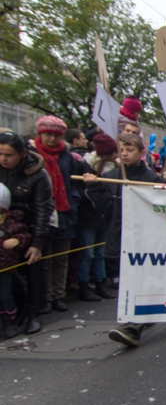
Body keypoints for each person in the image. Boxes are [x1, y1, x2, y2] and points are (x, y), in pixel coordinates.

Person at [83, 134, 166, 347]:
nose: (125, 154)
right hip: (119, 238)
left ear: (141, 153)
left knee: (140, 280)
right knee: (126, 282)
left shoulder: (153, 179)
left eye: (130, 150)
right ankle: (135, 320)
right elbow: (106, 211)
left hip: (146, 239)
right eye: (122, 150)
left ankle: (134, 324)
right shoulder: (111, 177)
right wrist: (94, 187)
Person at [0, 132, 54, 334]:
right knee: (7, 271)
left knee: (34, 268)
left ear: (22, 154)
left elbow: (43, 209)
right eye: (0, 154)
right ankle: (18, 309)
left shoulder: (38, 174)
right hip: (4, 228)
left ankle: (34, 312)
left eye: (9, 155)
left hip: (32, 226)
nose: (3, 159)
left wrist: (37, 243)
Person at [35, 116, 81, 314]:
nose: (52, 139)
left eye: (55, 135)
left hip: (64, 211)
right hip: (43, 210)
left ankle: (58, 295)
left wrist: (72, 203)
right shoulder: (33, 154)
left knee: (61, 257)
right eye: (48, 134)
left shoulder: (66, 156)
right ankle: (45, 296)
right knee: (44, 256)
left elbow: (73, 182)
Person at [75, 132, 118, 301]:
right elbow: (77, 191)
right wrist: (92, 191)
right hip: (88, 216)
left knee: (101, 252)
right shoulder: (85, 166)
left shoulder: (115, 169)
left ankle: (100, 282)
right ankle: (84, 285)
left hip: (104, 218)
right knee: (87, 253)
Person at [0, 183, 31, 339]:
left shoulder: (11, 223)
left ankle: (10, 323)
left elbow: (24, 234)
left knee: (5, 296)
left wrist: (17, 240)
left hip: (5, 267)